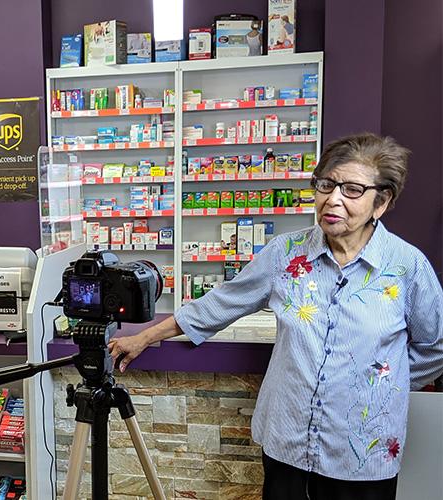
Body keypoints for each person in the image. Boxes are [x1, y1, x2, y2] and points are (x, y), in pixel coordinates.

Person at [109, 133, 443, 500]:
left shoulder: (407, 266)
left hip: (363, 450)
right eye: (325, 184)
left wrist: (381, 384)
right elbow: (221, 303)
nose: (332, 199)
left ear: (380, 202)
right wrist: (144, 337)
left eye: (351, 189)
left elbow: (435, 346)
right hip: (289, 441)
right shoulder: (285, 253)